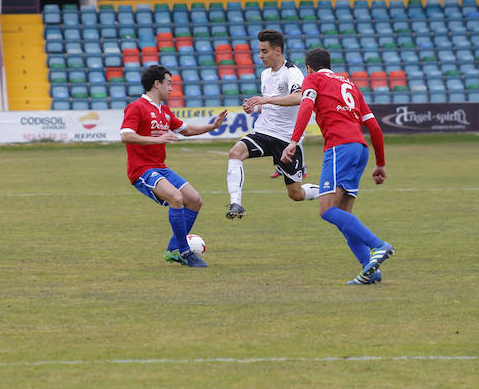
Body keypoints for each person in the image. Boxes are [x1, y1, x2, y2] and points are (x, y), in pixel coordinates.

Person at [280, 48, 392, 286]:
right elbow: (373, 126)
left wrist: (293, 141)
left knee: (327, 210)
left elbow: (306, 106)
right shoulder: (349, 83)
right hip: (360, 149)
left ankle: (378, 245)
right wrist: (380, 163)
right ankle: (370, 270)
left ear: (309, 68)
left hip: (339, 148)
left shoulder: (313, 79)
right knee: (343, 216)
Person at [120, 65, 228, 267]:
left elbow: (186, 130)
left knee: (194, 200)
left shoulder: (165, 111)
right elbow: (126, 135)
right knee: (176, 198)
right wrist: (157, 139)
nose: (171, 88)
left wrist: (212, 126)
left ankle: (172, 250)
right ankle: (185, 252)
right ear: (157, 84)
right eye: (168, 83)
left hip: (160, 168)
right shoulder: (137, 107)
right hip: (141, 170)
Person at [225, 29, 320, 220]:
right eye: (260, 51)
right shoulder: (265, 74)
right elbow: (272, 105)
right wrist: (256, 108)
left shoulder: (292, 72)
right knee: (235, 152)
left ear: (278, 51)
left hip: (286, 140)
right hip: (264, 132)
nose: (260, 56)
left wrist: (265, 100)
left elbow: (299, 97)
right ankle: (236, 204)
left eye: (264, 51)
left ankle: (329, 190)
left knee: (296, 194)